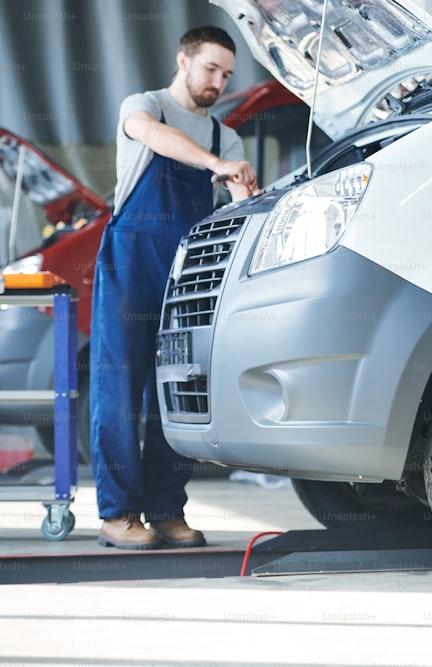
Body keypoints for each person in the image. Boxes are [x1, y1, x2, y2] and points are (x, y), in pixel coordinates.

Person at [90, 26, 259, 549]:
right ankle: (117, 515)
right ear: (182, 60)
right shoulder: (147, 106)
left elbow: (236, 204)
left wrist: (239, 189)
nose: (217, 81)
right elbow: (146, 132)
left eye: (226, 74)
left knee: (178, 389)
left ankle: (166, 510)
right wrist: (214, 166)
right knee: (118, 390)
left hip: (186, 272)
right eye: (210, 68)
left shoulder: (223, 136)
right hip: (131, 259)